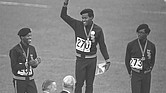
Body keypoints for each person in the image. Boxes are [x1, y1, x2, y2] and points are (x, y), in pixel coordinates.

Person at [60, 0, 111, 93]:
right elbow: (63, 16)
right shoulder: (77, 25)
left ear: (92, 17)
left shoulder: (98, 30)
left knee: (90, 84)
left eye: (85, 18)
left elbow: (102, 45)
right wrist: (65, 4)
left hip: (92, 60)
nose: (83, 20)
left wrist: (107, 59)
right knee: (79, 84)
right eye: (82, 18)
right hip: (80, 60)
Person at [125, 24, 156, 93]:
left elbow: (152, 60)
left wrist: (149, 69)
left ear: (147, 34)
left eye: (142, 33)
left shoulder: (151, 46)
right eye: (138, 32)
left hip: (146, 74)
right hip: (136, 73)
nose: (139, 34)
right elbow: (127, 60)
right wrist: (130, 72)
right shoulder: (131, 45)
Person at [9, 28, 41, 93]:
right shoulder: (15, 50)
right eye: (28, 36)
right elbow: (14, 67)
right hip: (19, 80)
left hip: (30, 80)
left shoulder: (32, 48)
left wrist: (36, 63)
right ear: (22, 37)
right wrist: (27, 64)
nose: (30, 38)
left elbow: (33, 65)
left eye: (30, 36)